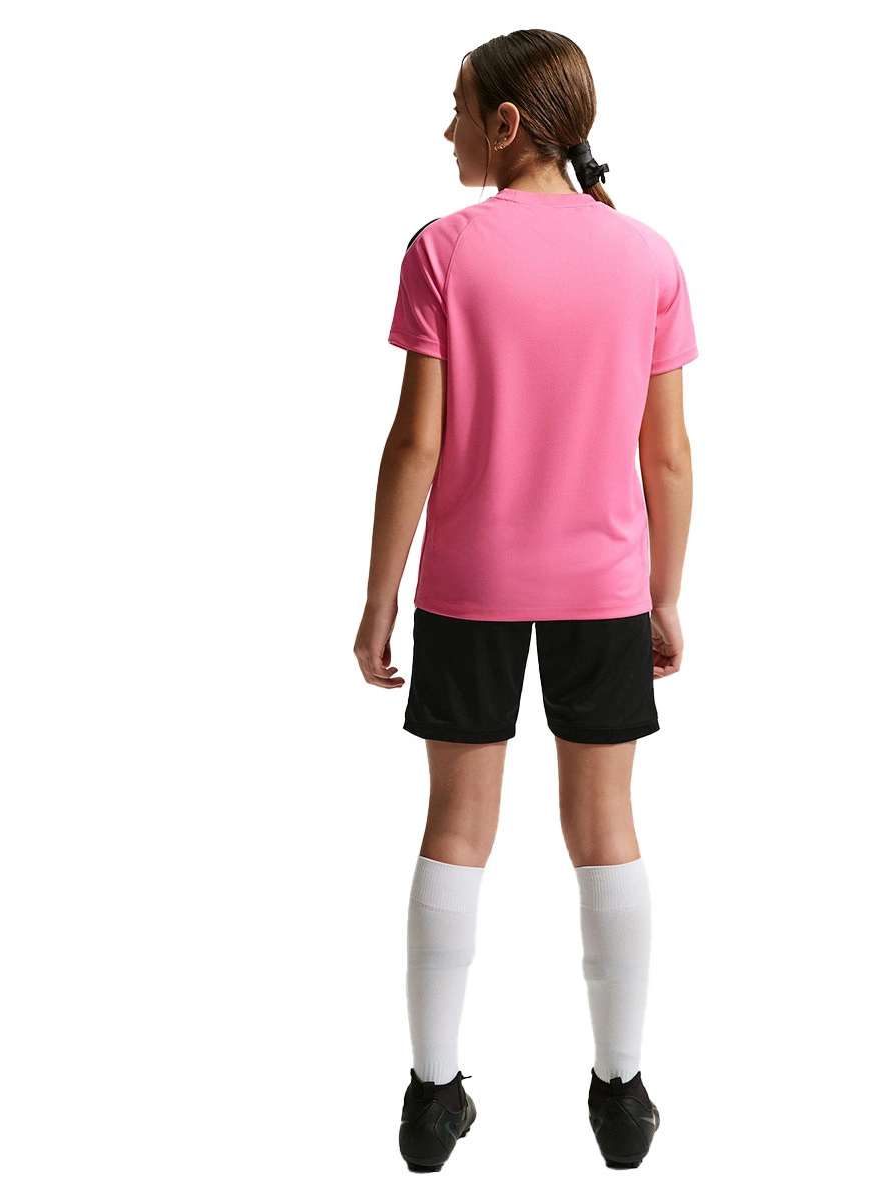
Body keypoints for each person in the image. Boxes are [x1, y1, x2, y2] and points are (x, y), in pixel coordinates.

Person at [353, 29, 697, 1172]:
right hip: (604, 590)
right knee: (606, 831)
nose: (446, 127)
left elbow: (415, 442)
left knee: (456, 830)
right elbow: (668, 457)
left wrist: (379, 597)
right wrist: (664, 595)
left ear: (506, 125)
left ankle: (431, 1099)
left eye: (459, 107)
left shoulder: (445, 251)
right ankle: (622, 1095)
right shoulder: (646, 256)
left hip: (470, 589)